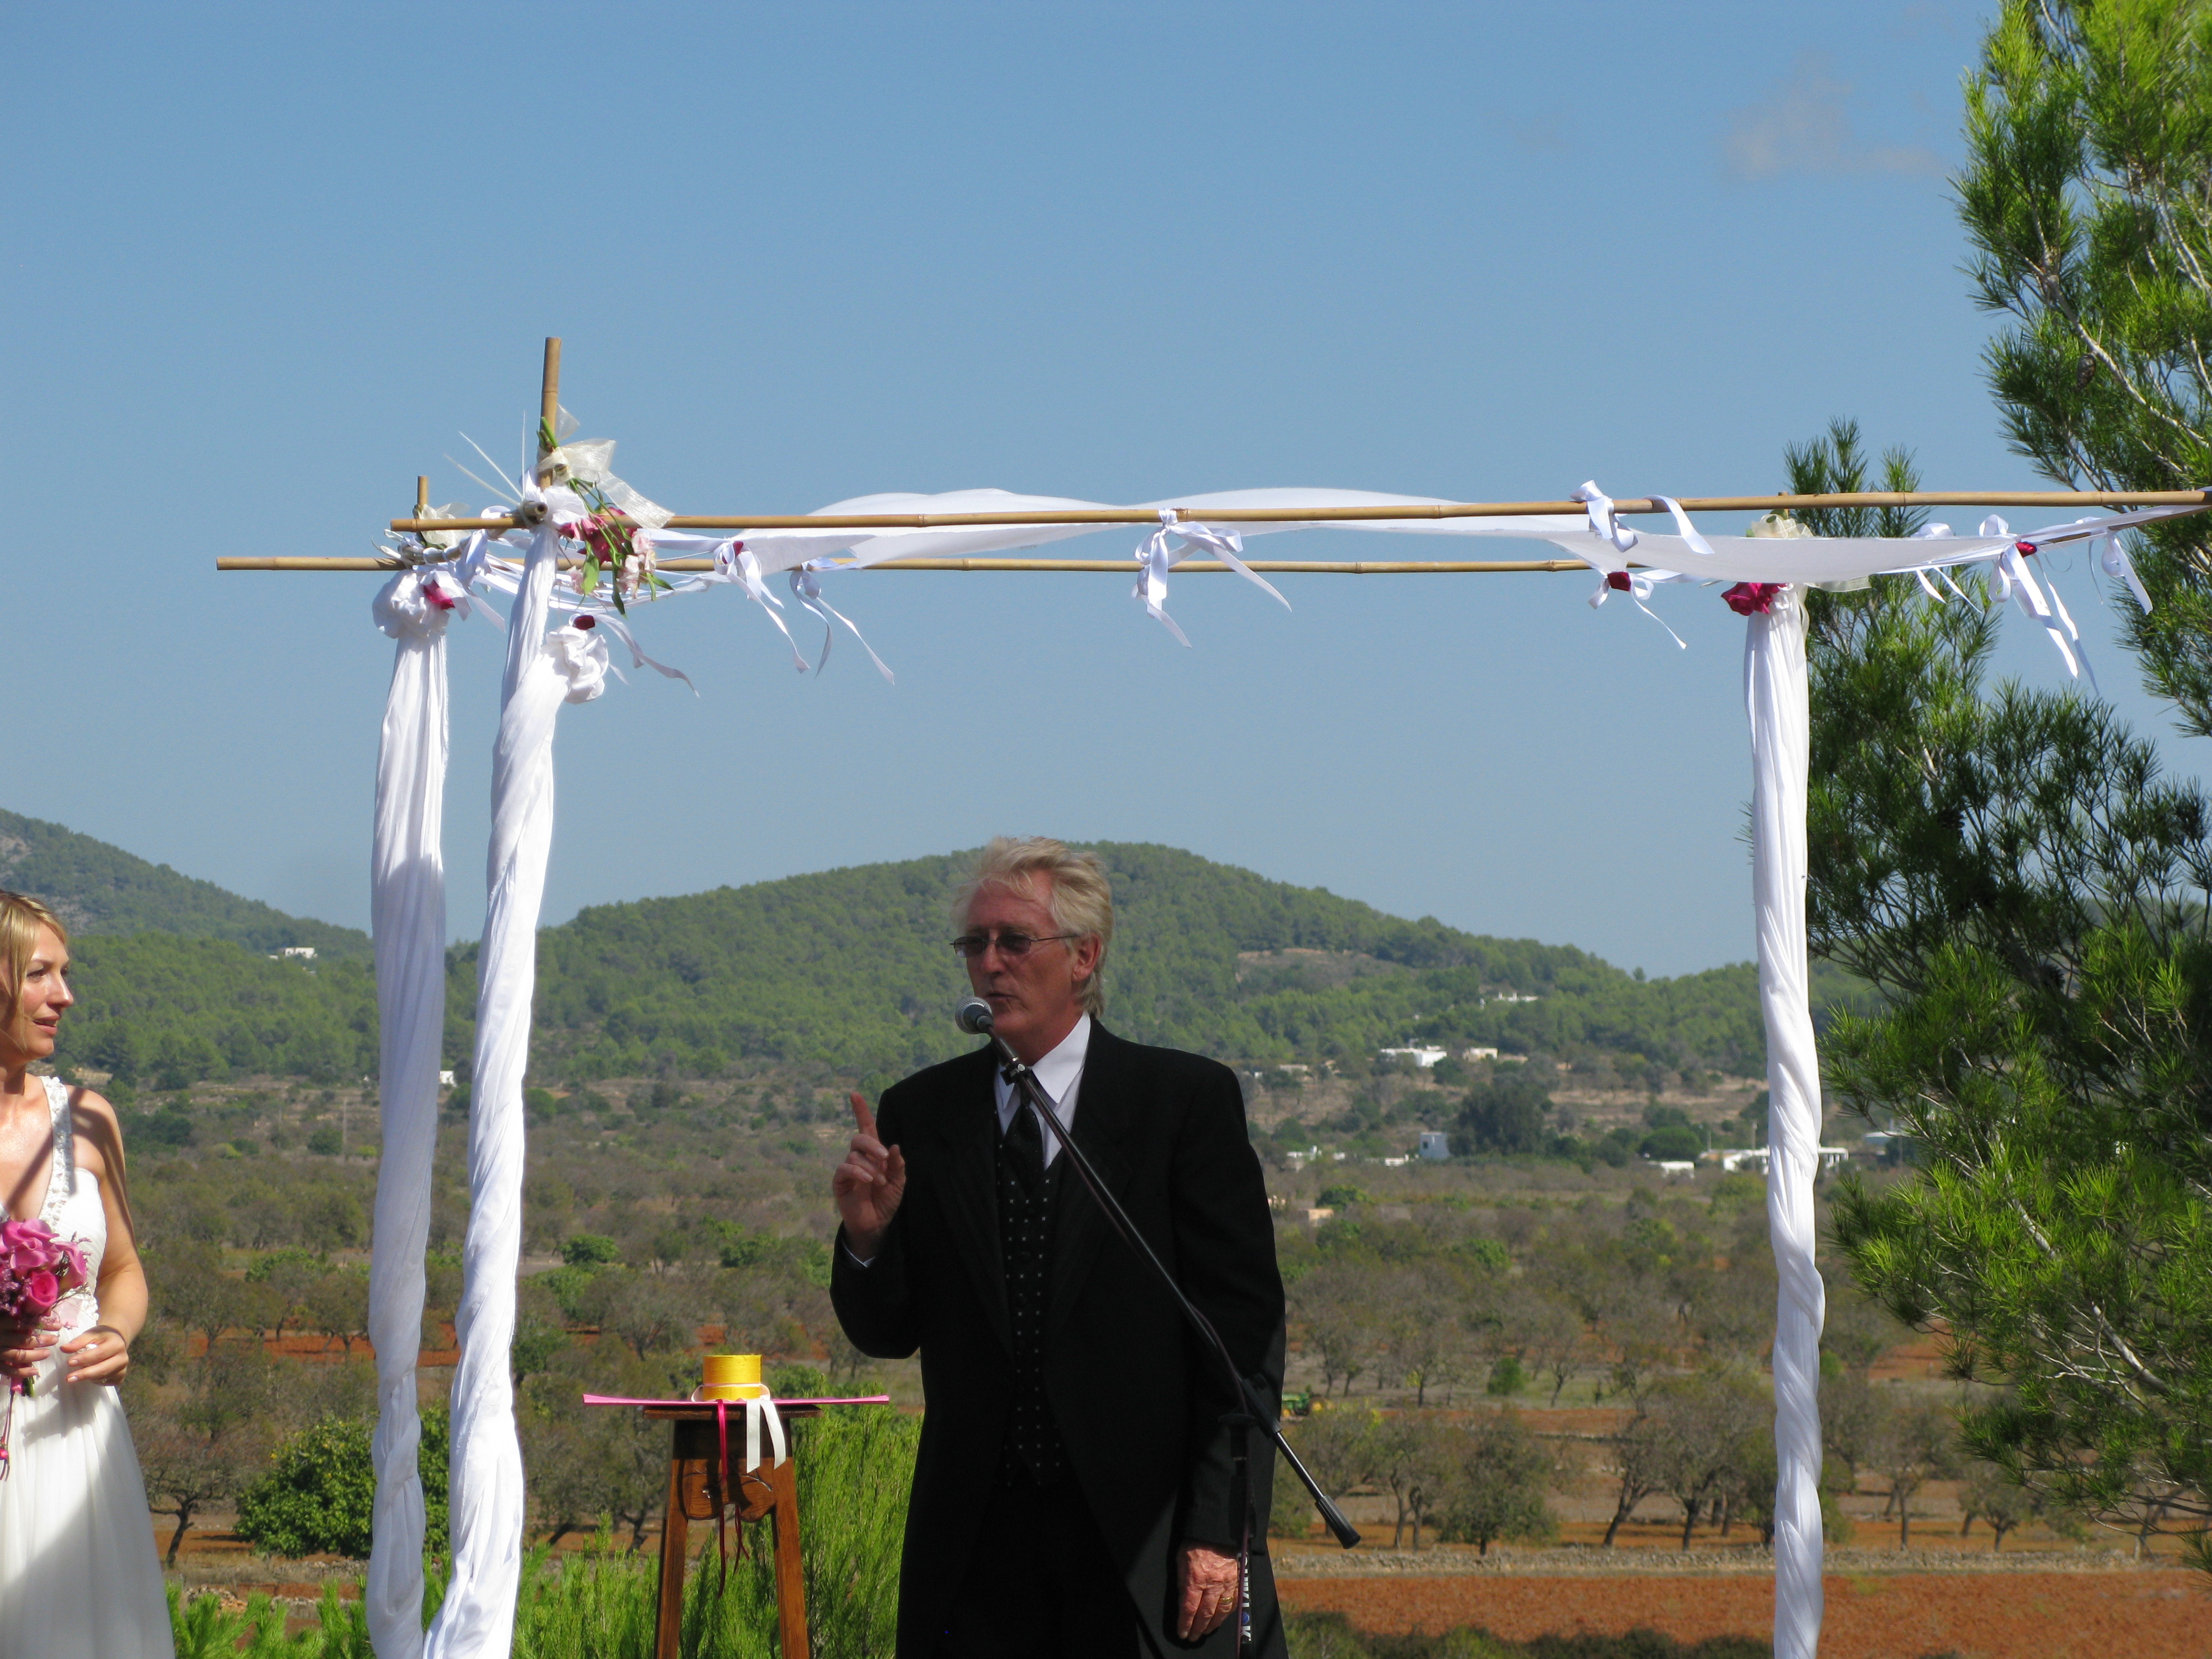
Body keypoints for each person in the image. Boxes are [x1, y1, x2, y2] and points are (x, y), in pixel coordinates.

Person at [832, 838, 1288, 1658]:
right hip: (978, 1549)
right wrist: (869, 1240)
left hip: (1144, 1542)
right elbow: (887, 1331)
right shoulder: (924, 1114)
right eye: (975, 945)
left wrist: (1219, 1531)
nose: (990, 964)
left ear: (1084, 957)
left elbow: (1241, 1337)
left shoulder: (1180, 1105)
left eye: (1014, 941)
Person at [0, 891, 173, 1658]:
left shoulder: (92, 1118)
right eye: (40, 974)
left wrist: (114, 1330)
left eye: (65, 974)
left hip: (79, 1449)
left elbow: (127, 1271)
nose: (64, 996)